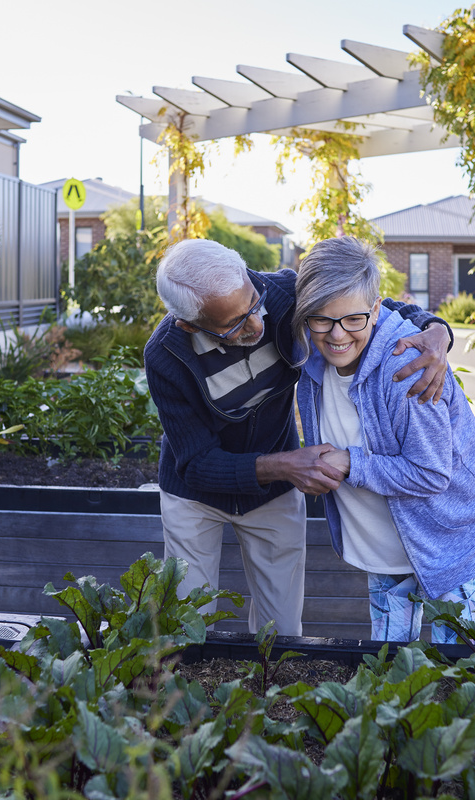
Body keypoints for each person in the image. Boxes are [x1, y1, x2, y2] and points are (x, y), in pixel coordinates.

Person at [144, 238, 453, 636]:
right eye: (234, 325)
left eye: (253, 304)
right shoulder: (165, 355)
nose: (257, 324)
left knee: (282, 630)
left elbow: (371, 307)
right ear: (189, 324)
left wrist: (436, 330)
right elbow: (196, 463)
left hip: (274, 491)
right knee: (186, 626)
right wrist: (287, 466)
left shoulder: (283, 293)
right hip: (195, 497)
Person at [292, 236, 475, 643]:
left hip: (452, 538)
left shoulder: (407, 367)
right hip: (386, 547)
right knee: (391, 674)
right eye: (321, 319)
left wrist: (349, 463)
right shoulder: (311, 356)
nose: (337, 335)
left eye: (353, 319)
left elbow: (430, 473)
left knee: (453, 675)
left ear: (376, 309)